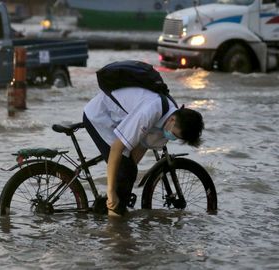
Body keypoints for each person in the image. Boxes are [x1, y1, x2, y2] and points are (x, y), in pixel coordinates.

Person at [83, 86, 204, 217]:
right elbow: (116, 148)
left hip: (117, 118)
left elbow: (142, 145)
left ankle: (113, 214)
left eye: (177, 138)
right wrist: (112, 191)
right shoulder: (150, 112)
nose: (173, 138)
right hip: (100, 115)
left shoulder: (170, 117)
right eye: (175, 134)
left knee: (127, 171)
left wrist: (126, 177)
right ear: (172, 120)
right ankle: (114, 230)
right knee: (124, 171)